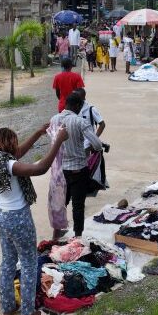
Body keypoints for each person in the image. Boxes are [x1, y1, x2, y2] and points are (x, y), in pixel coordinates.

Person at [0, 125, 68, 315]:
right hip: (17, 219)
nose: (17, 147)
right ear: (10, 144)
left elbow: (18, 153)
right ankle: (28, 313)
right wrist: (58, 140)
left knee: (8, 261)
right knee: (29, 263)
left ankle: (7, 308)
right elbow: (40, 168)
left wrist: (38, 133)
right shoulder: (9, 164)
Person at [50, 93, 103, 238]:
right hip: (78, 169)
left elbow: (53, 141)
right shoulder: (80, 122)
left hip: (60, 170)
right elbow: (97, 144)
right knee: (78, 205)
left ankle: (56, 234)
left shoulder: (54, 119)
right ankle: (77, 236)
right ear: (77, 106)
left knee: (61, 203)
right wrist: (89, 149)